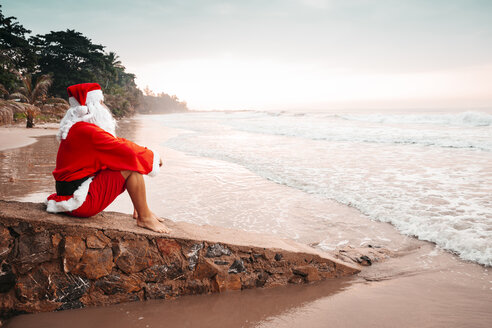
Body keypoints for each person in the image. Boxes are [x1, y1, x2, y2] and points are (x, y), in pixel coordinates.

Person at [46, 83, 169, 233]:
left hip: (68, 195)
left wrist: (147, 153)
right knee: (130, 168)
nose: (104, 107)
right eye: (101, 102)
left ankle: (142, 209)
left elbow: (119, 145)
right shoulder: (87, 131)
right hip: (79, 202)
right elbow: (125, 151)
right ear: (93, 107)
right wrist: (154, 157)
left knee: (119, 160)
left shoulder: (78, 128)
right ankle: (144, 218)